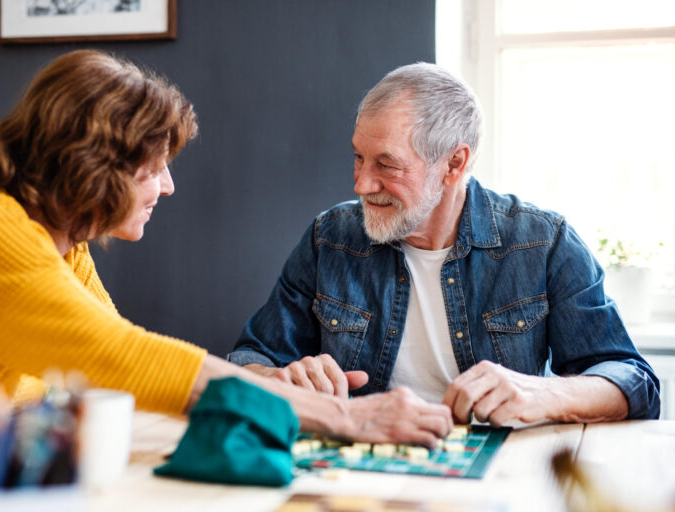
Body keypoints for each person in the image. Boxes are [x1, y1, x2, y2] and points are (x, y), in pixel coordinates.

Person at [0, 50, 453, 446]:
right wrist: (348, 418)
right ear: (94, 167)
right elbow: (127, 361)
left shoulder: (59, 243)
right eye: (154, 167)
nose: (167, 186)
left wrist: (271, 391)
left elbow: (119, 372)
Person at [228, 62, 660, 425]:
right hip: (361, 464)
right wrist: (280, 379)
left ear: (454, 163)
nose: (361, 184)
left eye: (386, 165)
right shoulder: (330, 238)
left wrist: (542, 393)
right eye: (359, 157)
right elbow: (249, 359)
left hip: (499, 472)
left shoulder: (543, 242)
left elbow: (634, 382)